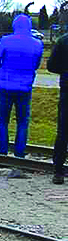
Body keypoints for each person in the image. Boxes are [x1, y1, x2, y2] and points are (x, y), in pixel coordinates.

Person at [0, 13, 44, 165]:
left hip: (5, 85)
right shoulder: (37, 44)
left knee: (2, 120)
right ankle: (19, 153)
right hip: (25, 86)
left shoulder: (5, 40)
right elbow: (36, 65)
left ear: (14, 25)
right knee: (22, 121)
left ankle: (2, 151)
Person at [50, 34, 68, 185]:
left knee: (63, 132)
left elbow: (52, 65)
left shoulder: (63, 40)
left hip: (67, 88)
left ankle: (58, 171)